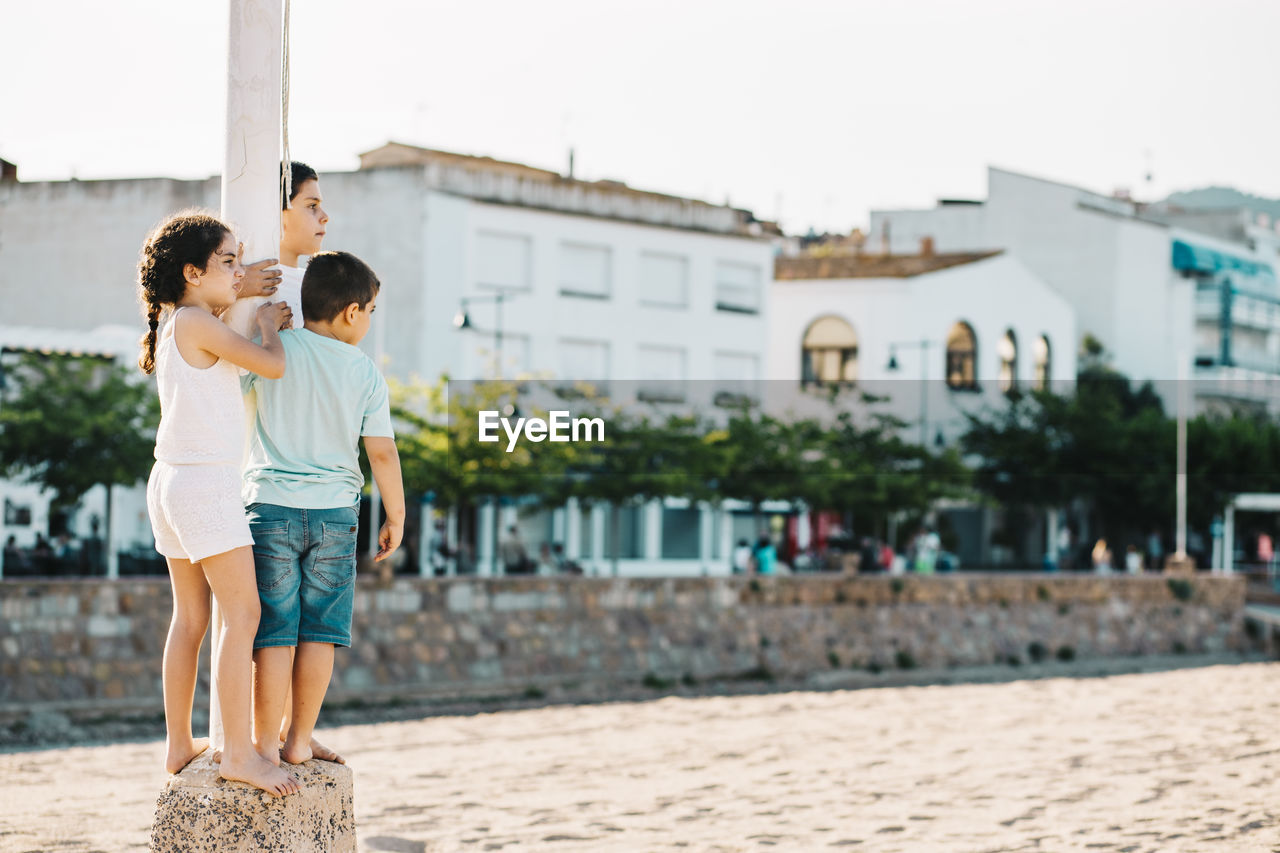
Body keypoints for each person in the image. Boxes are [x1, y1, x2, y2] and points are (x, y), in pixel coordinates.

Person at [137, 211, 299, 797]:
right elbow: (272, 366)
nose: (239, 270)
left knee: (192, 619)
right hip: (206, 486)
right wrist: (267, 323)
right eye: (227, 261)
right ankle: (239, 754)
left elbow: (213, 293)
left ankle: (179, 744)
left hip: (169, 483)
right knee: (244, 616)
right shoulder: (202, 324)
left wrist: (239, 282)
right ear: (191, 272)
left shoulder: (171, 317)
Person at [243, 251, 404, 767]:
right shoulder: (363, 371)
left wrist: (265, 328)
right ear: (353, 312)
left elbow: (237, 394)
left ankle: (265, 743)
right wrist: (395, 516)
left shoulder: (274, 350)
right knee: (320, 633)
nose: (371, 321)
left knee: (274, 631)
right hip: (336, 514)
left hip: (269, 509)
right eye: (372, 311)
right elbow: (381, 451)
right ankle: (298, 739)